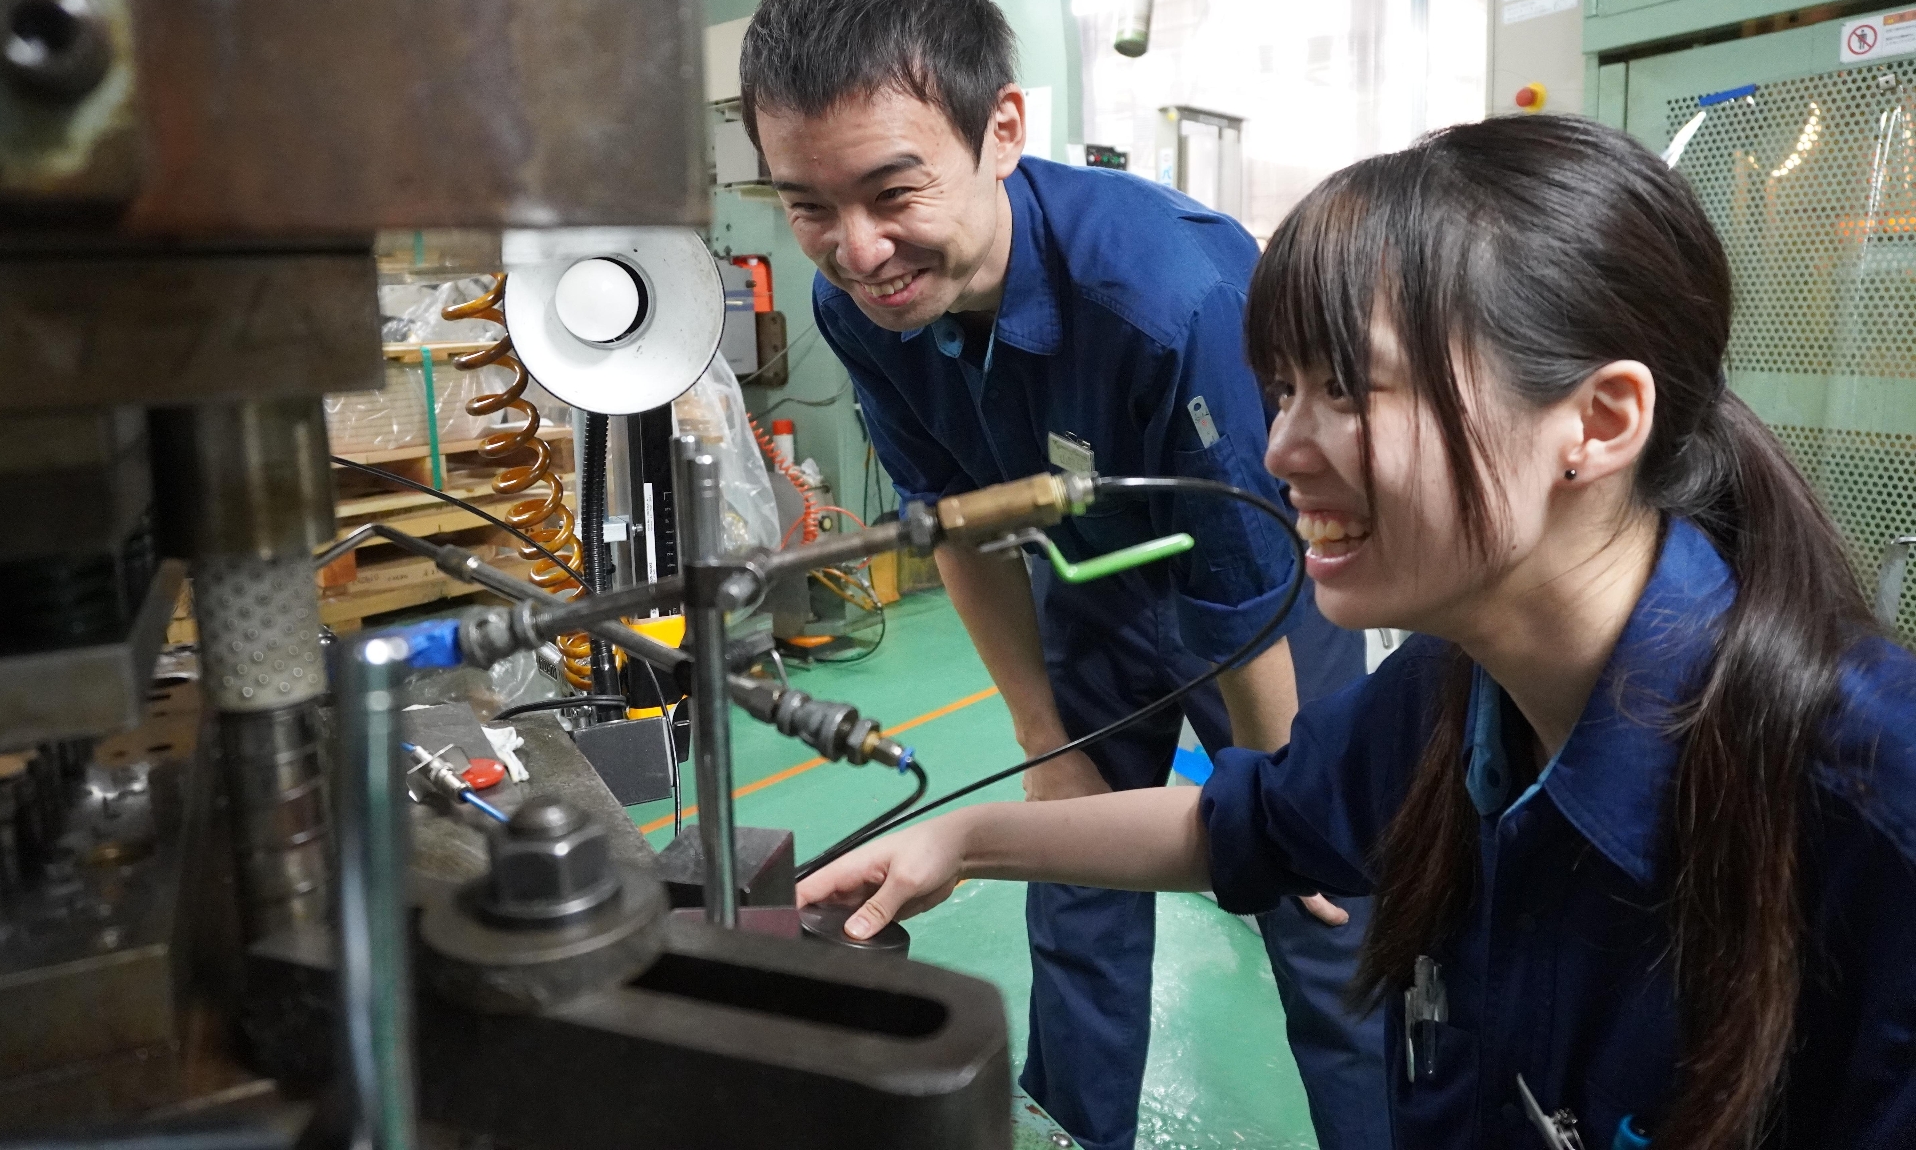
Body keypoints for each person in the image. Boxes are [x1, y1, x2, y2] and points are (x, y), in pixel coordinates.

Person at [797, 112, 1916, 1148]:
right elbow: (1246, 820)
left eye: (1349, 390)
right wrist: (964, 838)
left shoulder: (1868, 802)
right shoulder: (1447, 690)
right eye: (1279, 390)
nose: (1280, 449)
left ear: (1598, 418)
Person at [738, 0, 1387, 1150]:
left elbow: (1237, 578)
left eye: (892, 193)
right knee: (1072, 876)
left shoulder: (1167, 296)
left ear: (1000, 131)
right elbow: (954, 532)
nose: (856, 249)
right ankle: (1068, 1131)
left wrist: (1277, 801)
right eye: (806, 206)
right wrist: (1043, 737)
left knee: (1316, 905)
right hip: (1085, 592)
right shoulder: (859, 303)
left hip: (1253, 602)